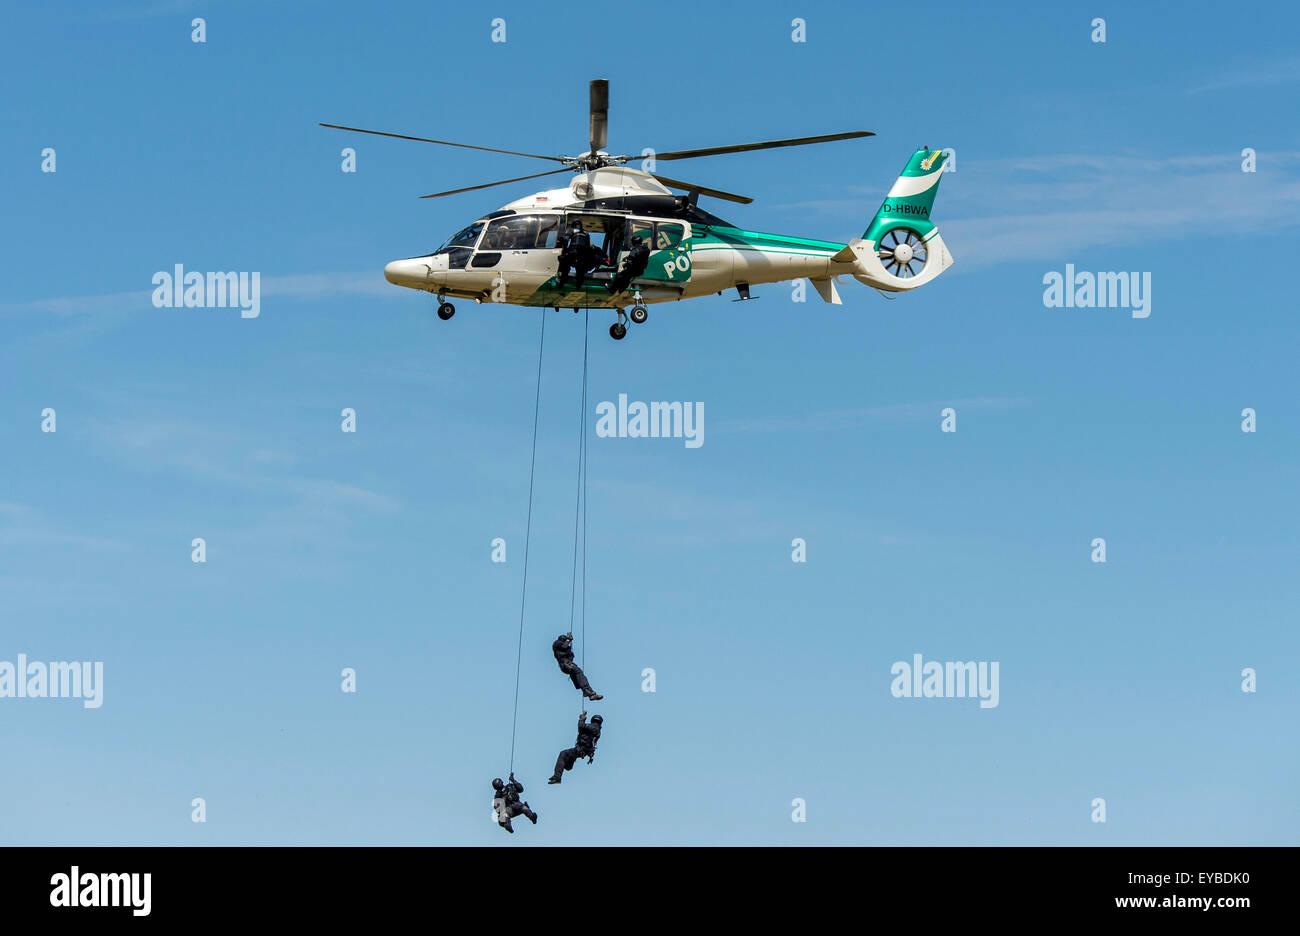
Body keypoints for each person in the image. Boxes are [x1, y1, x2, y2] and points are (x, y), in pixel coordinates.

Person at [548, 712, 603, 784]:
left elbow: (581, 726)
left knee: (563, 754)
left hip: (581, 749)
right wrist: (582, 721)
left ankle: (557, 777)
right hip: (582, 750)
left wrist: (582, 719)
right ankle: (567, 766)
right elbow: (581, 730)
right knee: (567, 766)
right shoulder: (596, 729)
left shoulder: (594, 727)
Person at [552, 632, 602, 700]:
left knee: (578, 676)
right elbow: (564, 646)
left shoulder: (564, 647)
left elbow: (569, 654)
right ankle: (586, 690)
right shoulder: (557, 643)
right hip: (565, 664)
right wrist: (568, 640)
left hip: (567, 664)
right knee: (579, 672)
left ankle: (589, 694)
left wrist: (569, 644)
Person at [556, 220, 594, 289]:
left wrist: (564, 250)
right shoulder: (586, 233)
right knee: (580, 270)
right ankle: (578, 285)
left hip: (572, 253)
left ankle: (562, 282)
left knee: (564, 263)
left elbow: (565, 239)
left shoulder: (572, 230)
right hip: (582, 255)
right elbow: (588, 247)